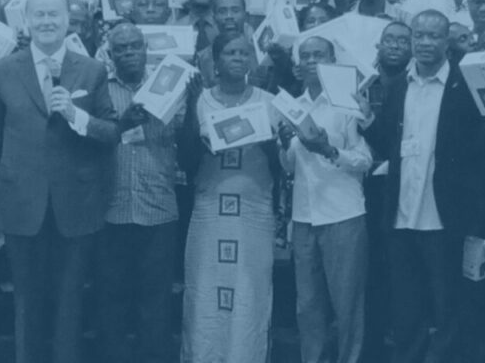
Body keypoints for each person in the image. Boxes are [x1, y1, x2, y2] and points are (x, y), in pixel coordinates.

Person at [0, 0, 122, 363]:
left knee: (69, 304)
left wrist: (77, 116)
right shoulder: (1, 71)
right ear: (26, 21)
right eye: (39, 15)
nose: (46, 22)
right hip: (20, 207)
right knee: (26, 304)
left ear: (67, 21)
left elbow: (111, 133)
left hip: (76, 207)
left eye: (53, 15)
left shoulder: (90, 70)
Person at [367, 12, 485, 363]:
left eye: (434, 36)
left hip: (445, 218)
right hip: (401, 216)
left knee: (449, 309)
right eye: (419, 35)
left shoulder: (466, 84)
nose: (425, 43)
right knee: (405, 310)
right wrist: (367, 121)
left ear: (447, 42)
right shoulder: (400, 85)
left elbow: (478, 152)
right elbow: (388, 145)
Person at [184, 33, 279, 363]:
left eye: (244, 53)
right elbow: (186, 162)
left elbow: (281, 166)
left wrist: (269, 140)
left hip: (253, 209)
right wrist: (190, 115)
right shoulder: (200, 100)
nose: (238, 58)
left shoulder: (269, 102)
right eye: (230, 53)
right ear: (216, 60)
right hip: (210, 209)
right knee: (204, 290)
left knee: (251, 291)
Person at [91, 23, 184, 363]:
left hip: (157, 204)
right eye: (121, 48)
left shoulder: (170, 85)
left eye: (135, 46)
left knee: (155, 298)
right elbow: (90, 140)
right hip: (111, 207)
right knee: (110, 296)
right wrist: (122, 125)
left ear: (146, 49)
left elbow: (186, 138)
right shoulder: (100, 88)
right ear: (110, 54)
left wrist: (193, 99)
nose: (129, 53)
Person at [283, 35, 375, 363]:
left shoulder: (348, 104)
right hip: (304, 214)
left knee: (347, 304)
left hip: (343, 213)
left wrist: (329, 150)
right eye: (305, 56)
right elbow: (289, 166)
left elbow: (365, 160)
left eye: (318, 55)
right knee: (307, 305)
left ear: (333, 61)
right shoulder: (292, 106)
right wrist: (283, 144)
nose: (311, 61)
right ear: (297, 65)